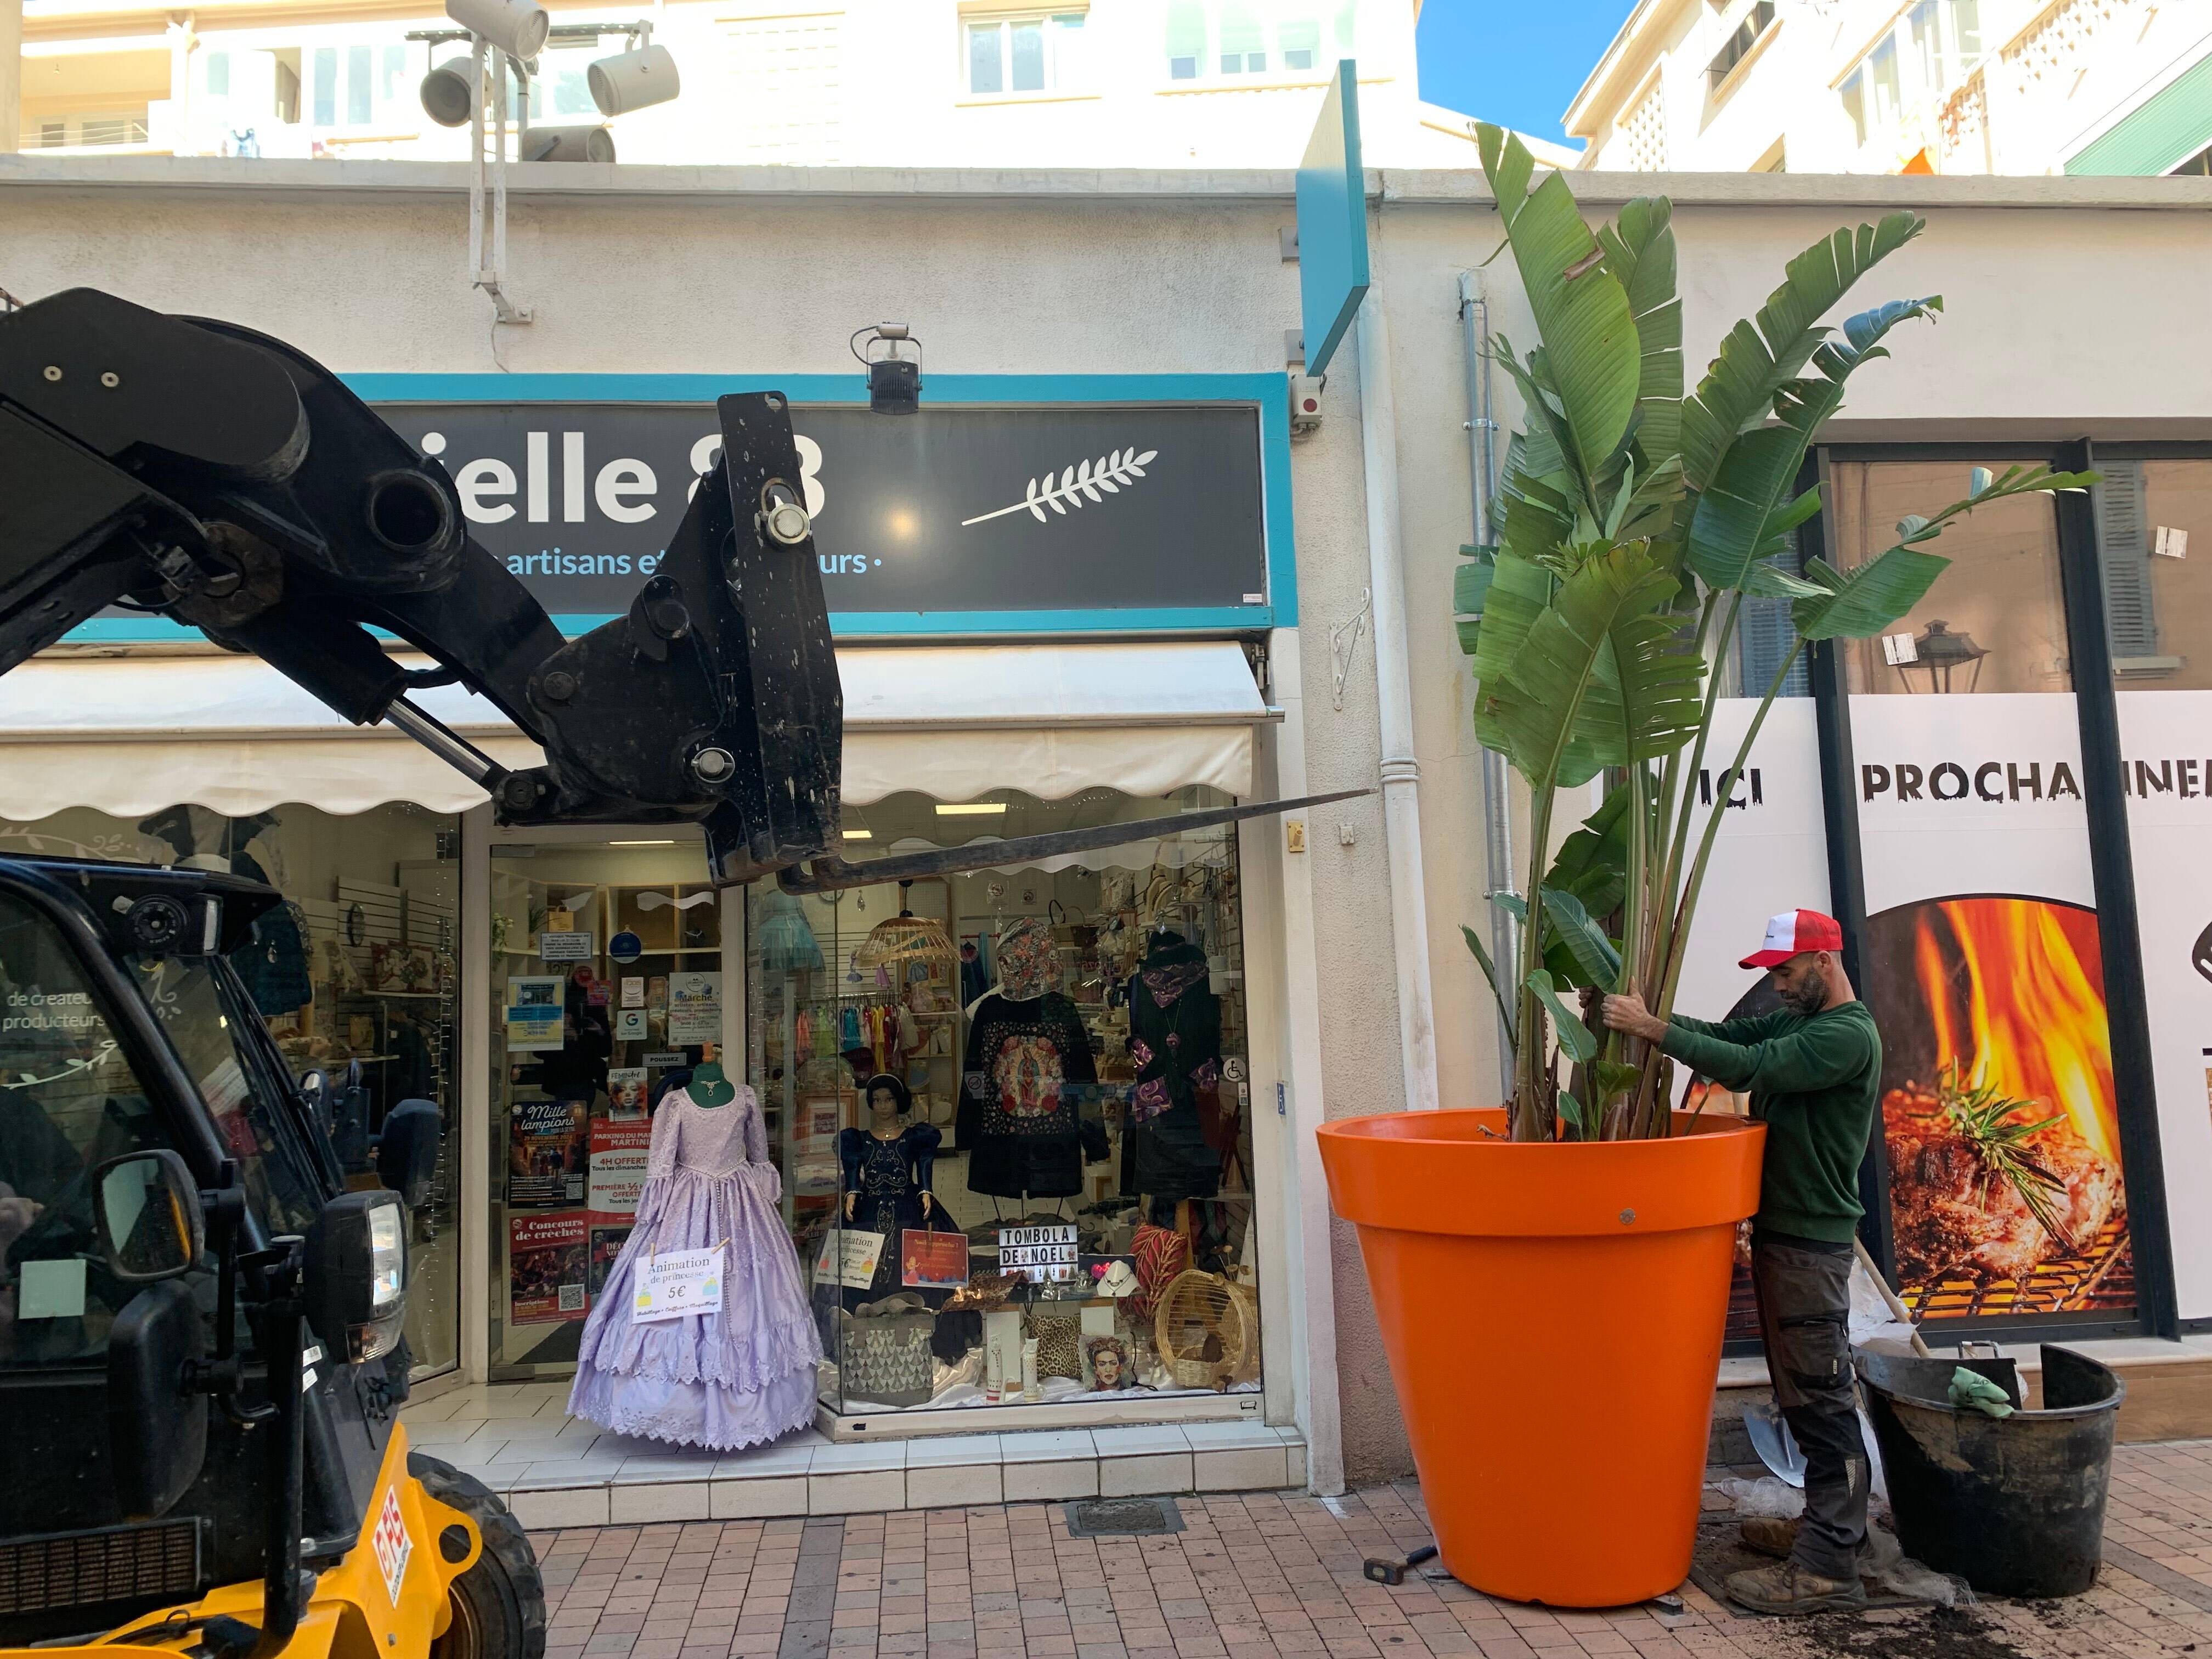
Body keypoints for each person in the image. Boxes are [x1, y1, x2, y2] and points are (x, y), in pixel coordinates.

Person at [1597, 908, 1882, 1617]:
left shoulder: (1845, 1036)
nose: (1778, 986)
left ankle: (1830, 1567)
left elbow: (1753, 1067)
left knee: (1821, 1402)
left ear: (1826, 963)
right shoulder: (1799, 1022)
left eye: (1786, 972)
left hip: (1811, 1245)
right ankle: (1837, 1537)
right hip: (1789, 1238)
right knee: (1804, 1397)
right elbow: (1731, 1036)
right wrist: (1651, 1014)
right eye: (1771, 975)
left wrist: (1652, 1031)